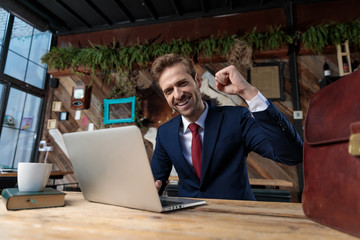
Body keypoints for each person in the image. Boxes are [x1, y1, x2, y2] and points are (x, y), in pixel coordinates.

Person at [150, 53, 303, 200]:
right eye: (169, 90)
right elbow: (155, 182)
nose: (177, 95)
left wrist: (247, 92)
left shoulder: (237, 119)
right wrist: (150, 188)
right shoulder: (165, 133)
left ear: (197, 81)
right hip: (191, 220)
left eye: (182, 83)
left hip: (237, 218)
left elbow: (292, 154)